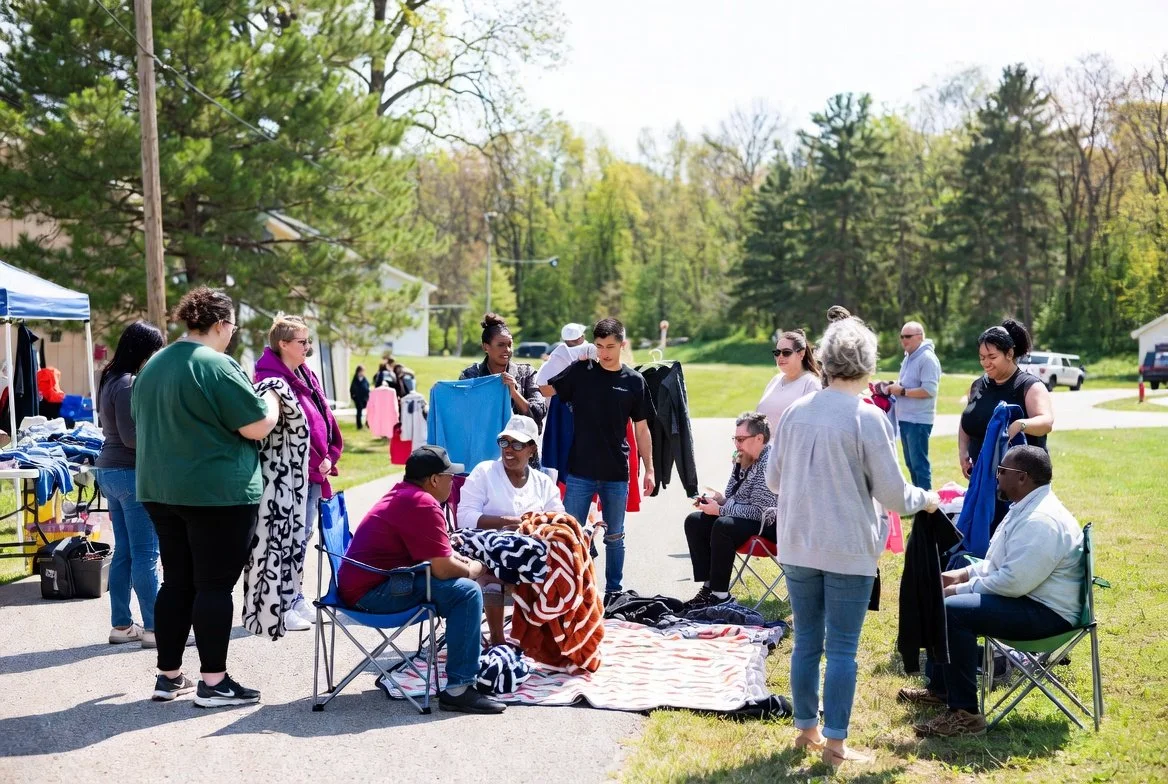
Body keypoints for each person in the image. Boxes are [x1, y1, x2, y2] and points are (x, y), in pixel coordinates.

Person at [765, 316, 940, 770]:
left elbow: (773, 480)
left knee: (806, 640)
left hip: (798, 543)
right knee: (841, 648)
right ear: (867, 364)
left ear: (823, 361)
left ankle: (807, 729)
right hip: (846, 547)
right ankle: (836, 746)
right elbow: (894, 495)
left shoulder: (797, 412)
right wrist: (928, 498)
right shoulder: (868, 417)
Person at [133, 286, 280, 707]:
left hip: (160, 490)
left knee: (177, 581)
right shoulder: (217, 365)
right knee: (214, 587)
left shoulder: (154, 364)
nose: (231, 335)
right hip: (216, 493)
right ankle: (214, 682)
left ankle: (168, 675)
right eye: (231, 327)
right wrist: (270, 401)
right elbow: (255, 425)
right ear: (219, 324)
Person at [907, 446, 1083, 738]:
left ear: (1023, 478)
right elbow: (998, 565)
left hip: (1048, 616)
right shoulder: (1027, 507)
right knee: (956, 577)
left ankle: (965, 715)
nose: (996, 477)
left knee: (953, 612)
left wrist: (957, 590)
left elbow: (1012, 582)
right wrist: (958, 575)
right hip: (1031, 599)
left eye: (1002, 472)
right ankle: (941, 690)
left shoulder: (1042, 520)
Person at [339, 445, 506, 714]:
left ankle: (460, 677)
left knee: (458, 585)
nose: (454, 482)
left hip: (366, 584)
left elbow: (437, 556)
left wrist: (457, 561)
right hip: (371, 594)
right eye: (450, 476)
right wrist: (476, 568)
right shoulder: (423, 503)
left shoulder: (406, 494)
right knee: (466, 591)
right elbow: (441, 569)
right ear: (434, 480)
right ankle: (459, 689)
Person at [545, 318, 655, 598]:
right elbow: (545, 389)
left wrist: (650, 469)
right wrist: (568, 359)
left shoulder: (634, 381)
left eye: (611, 346)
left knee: (615, 536)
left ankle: (614, 592)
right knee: (570, 535)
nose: (605, 352)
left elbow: (642, 429)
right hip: (580, 470)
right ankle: (572, 591)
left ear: (622, 345)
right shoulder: (581, 371)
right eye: (599, 346)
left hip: (616, 471)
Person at [254, 313, 344, 632]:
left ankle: (294, 595)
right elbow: (277, 435)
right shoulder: (269, 381)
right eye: (302, 342)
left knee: (302, 536)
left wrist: (330, 455)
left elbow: (324, 419)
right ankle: (277, 606)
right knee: (285, 538)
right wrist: (311, 461)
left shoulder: (306, 374)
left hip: (313, 474)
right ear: (283, 344)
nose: (308, 347)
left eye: (309, 341)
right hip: (286, 476)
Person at [457, 414, 564, 645]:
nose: (509, 450)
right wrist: (503, 522)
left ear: (532, 449)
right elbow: (464, 518)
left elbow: (558, 519)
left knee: (566, 555)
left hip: (531, 556)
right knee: (494, 565)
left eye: (517, 444)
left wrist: (530, 525)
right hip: (488, 554)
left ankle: (548, 638)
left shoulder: (542, 482)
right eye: (504, 442)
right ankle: (498, 639)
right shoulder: (484, 472)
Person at [96, 321, 167, 648]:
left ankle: (122, 626)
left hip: (112, 473)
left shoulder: (110, 378)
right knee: (145, 553)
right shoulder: (127, 383)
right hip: (129, 474)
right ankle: (155, 629)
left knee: (125, 551)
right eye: (155, 350)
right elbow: (131, 437)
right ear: (144, 350)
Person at [958, 319, 1054, 524]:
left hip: (1021, 484)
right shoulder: (978, 385)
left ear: (1009, 354)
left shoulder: (1029, 386)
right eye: (982, 357)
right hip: (983, 479)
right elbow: (967, 420)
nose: (985, 363)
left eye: (992, 357)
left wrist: (1020, 424)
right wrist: (963, 451)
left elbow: (1046, 422)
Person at [682, 412, 778, 610]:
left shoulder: (769, 462)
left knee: (723, 524)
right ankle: (709, 587)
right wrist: (719, 500)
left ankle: (720, 596)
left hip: (769, 525)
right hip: (745, 518)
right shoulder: (745, 457)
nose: (737, 444)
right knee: (695, 521)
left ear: (759, 438)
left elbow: (760, 512)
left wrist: (721, 510)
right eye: (735, 438)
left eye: (741, 439)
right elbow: (732, 495)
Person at [459, 313, 547, 430]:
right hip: (483, 444)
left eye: (510, 345)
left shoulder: (527, 373)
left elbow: (539, 413)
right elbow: (462, 413)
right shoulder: (471, 376)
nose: (507, 350)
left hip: (520, 445)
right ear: (485, 347)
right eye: (501, 345)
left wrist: (514, 393)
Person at [884, 321, 942, 490]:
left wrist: (901, 391)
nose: (904, 340)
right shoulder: (909, 357)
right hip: (906, 418)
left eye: (908, 336)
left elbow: (930, 390)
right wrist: (892, 386)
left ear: (920, 337)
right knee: (910, 463)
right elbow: (906, 383)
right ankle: (920, 503)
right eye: (902, 336)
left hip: (918, 420)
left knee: (919, 465)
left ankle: (927, 507)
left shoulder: (927, 358)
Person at [756, 329, 822, 434]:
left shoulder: (811, 383)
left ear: (801, 354)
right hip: (763, 449)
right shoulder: (775, 380)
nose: (780, 356)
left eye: (786, 352)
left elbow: (812, 429)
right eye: (777, 352)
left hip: (790, 450)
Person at [534, 323, 598, 387]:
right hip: (557, 393)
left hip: (542, 390)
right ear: (581, 338)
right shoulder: (589, 349)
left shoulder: (559, 350)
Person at [350, 365, 370, 430]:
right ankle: (359, 426)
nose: (362, 373)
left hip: (365, 398)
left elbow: (367, 387)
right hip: (358, 399)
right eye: (361, 371)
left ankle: (368, 424)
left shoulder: (365, 379)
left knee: (369, 412)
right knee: (359, 412)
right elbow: (352, 389)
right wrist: (354, 397)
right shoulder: (355, 379)